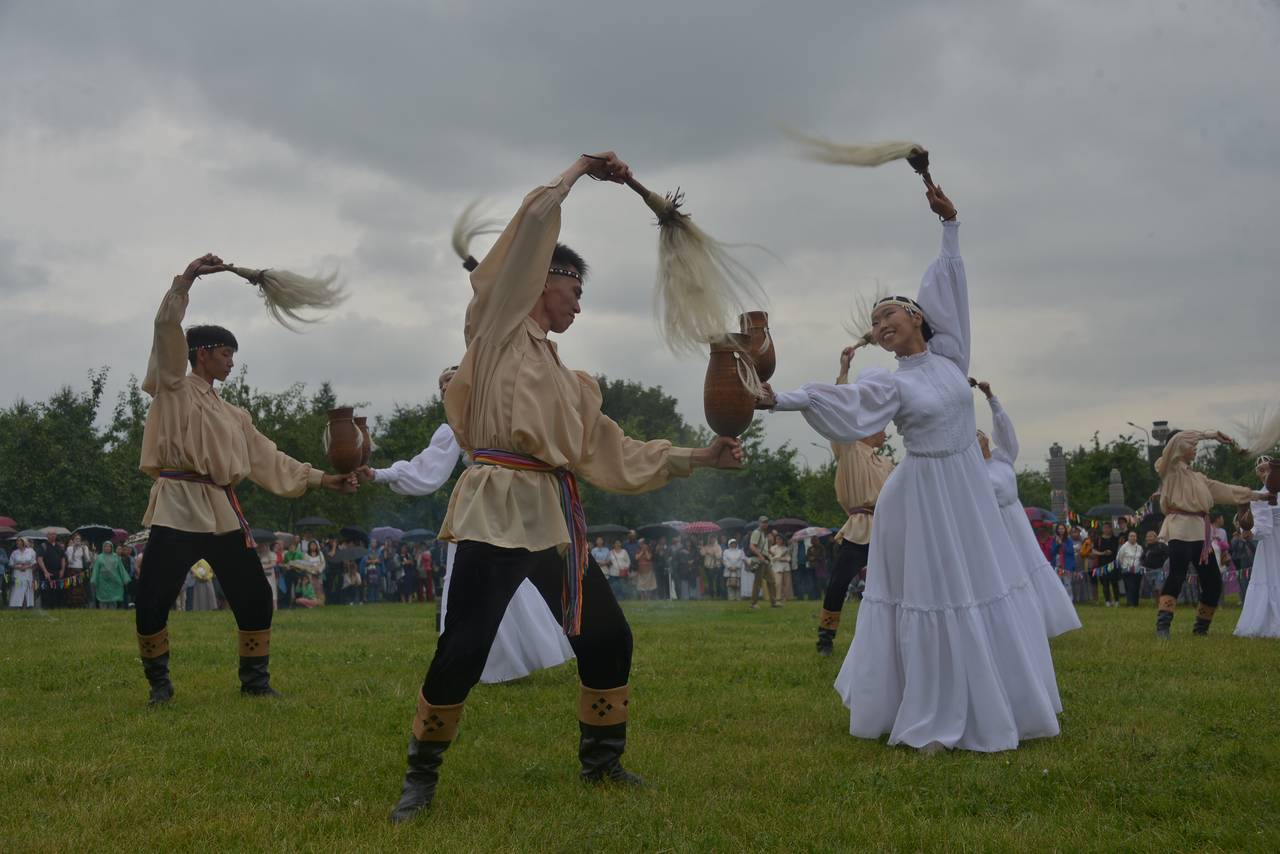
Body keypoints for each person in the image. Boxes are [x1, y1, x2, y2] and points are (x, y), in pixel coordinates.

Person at [387, 152, 742, 823]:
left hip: (550, 518)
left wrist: (701, 455)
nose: (580, 303)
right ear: (544, 281)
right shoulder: (494, 332)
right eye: (573, 290)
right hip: (495, 510)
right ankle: (420, 778)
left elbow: (610, 448)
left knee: (608, 637)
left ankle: (601, 763)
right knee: (462, 648)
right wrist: (580, 170)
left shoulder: (569, 382)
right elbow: (530, 230)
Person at [764, 183, 1061, 753]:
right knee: (936, 592)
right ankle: (929, 708)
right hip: (923, 495)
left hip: (967, 492)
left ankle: (1001, 699)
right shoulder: (890, 382)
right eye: (875, 322)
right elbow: (843, 402)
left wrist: (950, 225)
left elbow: (953, 281)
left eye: (889, 313)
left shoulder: (953, 359)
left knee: (982, 584)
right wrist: (779, 399)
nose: (881, 324)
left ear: (918, 318)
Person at [131, 253, 357, 705]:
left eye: (234, 354)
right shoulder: (173, 387)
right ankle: (160, 684)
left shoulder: (234, 414)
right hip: (177, 502)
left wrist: (322, 479)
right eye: (225, 353)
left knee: (254, 595)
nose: (231, 361)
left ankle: (255, 683)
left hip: (220, 509)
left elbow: (266, 457)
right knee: (153, 598)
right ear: (201, 354)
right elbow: (165, 331)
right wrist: (187, 280)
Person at [356, 368, 575, 685]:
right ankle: (482, 663)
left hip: (516, 504)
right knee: (472, 584)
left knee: (517, 583)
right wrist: (380, 474)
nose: (447, 388)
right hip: (478, 510)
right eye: (441, 385)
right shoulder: (454, 428)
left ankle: (516, 657)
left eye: (452, 382)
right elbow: (427, 467)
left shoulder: (505, 412)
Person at [972, 381, 1081, 635]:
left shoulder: (1003, 457)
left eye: (979, 433)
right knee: (1006, 571)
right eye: (972, 436)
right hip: (996, 524)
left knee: (1030, 564)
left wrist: (990, 397)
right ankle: (1012, 625)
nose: (978, 437)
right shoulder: (974, 471)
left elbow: (1006, 430)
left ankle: (1043, 619)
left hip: (1016, 521)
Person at [818, 346, 896, 654]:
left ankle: (890, 637)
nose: (886, 433)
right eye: (882, 427)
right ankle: (825, 637)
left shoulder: (887, 464)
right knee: (838, 583)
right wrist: (844, 370)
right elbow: (840, 411)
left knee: (894, 586)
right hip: (860, 527)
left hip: (888, 529)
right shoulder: (849, 450)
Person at [1151, 429, 1265, 638]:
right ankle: (1163, 626)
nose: (1195, 448)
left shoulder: (1197, 478)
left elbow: (1226, 490)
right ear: (1179, 447)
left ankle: (1201, 629)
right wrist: (1210, 434)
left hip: (1200, 533)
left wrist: (1260, 495)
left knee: (1213, 581)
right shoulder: (1168, 469)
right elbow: (1177, 439)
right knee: (1177, 574)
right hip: (1180, 528)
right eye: (1191, 445)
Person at [1235, 457, 1280, 637]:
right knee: (1270, 576)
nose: (1264, 474)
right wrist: (1249, 532)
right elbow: (1259, 524)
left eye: (1267, 469)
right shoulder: (1257, 496)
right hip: (1270, 545)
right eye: (1260, 470)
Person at [748, 517, 779, 609]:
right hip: (759, 559)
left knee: (772, 580)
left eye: (766, 522)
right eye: (763, 522)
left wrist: (770, 551)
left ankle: (774, 602)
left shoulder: (764, 534)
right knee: (758, 582)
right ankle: (753, 603)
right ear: (759, 523)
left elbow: (764, 548)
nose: (765, 524)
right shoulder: (756, 532)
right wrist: (760, 556)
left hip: (765, 559)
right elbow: (752, 546)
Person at [90, 541, 130, 609]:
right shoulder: (99, 557)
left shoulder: (116, 557)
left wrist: (125, 579)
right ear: (103, 547)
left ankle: (112, 614)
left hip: (114, 582)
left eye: (109, 546)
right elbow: (96, 570)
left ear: (111, 548)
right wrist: (94, 580)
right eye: (105, 546)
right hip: (102, 582)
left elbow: (121, 569)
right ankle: (103, 614)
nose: (107, 548)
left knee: (113, 600)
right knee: (103, 600)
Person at [1092, 521, 1121, 607]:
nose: (1106, 529)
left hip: (1113, 563)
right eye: (1104, 528)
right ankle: (1107, 600)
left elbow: (1119, 549)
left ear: (1111, 529)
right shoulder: (1099, 539)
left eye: (1108, 527)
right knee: (1105, 583)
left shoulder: (1115, 539)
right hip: (1102, 564)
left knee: (1114, 583)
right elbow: (1094, 550)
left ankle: (1117, 600)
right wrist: (1103, 553)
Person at [36, 532, 66, 609]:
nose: (53, 536)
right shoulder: (43, 546)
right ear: (47, 536)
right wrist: (45, 572)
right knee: (46, 592)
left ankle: (56, 608)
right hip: (46, 573)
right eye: (51, 534)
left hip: (57, 572)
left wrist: (62, 570)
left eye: (54, 534)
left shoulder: (59, 546)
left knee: (57, 591)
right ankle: (46, 608)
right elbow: (39, 559)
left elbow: (63, 558)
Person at [1117, 531, 1145, 608]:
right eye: (1131, 536)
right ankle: (1130, 603)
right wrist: (1124, 566)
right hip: (1127, 570)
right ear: (1128, 537)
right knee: (1130, 586)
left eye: (1134, 536)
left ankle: (1135, 603)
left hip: (1137, 570)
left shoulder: (1139, 547)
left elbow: (1142, 558)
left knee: (1137, 586)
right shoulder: (1124, 547)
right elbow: (1119, 558)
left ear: (1136, 537)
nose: (1133, 538)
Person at [1230, 525, 1257, 604]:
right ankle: (1244, 600)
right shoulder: (1235, 538)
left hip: (1251, 563)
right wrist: (1240, 540)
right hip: (1240, 565)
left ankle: (1253, 599)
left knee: (1251, 582)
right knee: (1242, 582)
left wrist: (1246, 540)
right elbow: (1234, 549)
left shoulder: (1251, 536)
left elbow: (1254, 549)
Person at [8, 537, 36, 609]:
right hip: (17, 573)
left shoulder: (31, 551)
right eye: (17, 541)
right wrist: (19, 567)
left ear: (23, 542)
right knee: (18, 588)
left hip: (28, 573)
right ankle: (18, 606)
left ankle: (27, 606)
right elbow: (11, 564)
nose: (17, 543)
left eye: (19, 541)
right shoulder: (14, 553)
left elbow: (34, 563)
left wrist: (26, 567)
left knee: (27, 588)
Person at [66, 533, 92, 606]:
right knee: (72, 587)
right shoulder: (69, 548)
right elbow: (70, 561)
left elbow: (88, 560)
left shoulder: (84, 547)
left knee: (80, 587)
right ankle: (72, 604)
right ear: (73, 540)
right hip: (72, 569)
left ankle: (80, 603)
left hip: (80, 570)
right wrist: (74, 551)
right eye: (76, 539)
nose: (78, 540)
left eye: (79, 539)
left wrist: (84, 551)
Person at [769, 531, 792, 602]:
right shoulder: (772, 548)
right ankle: (777, 597)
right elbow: (771, 559)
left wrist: (780, 558)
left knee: (786, 583)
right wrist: (778, 557)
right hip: (777, 568)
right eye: (777, 539)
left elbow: (788, 559)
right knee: (778, 583)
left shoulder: (786, 548)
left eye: (780, 539)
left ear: (782, 540)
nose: (778, 540)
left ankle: (785, 597)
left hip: (786, 567)